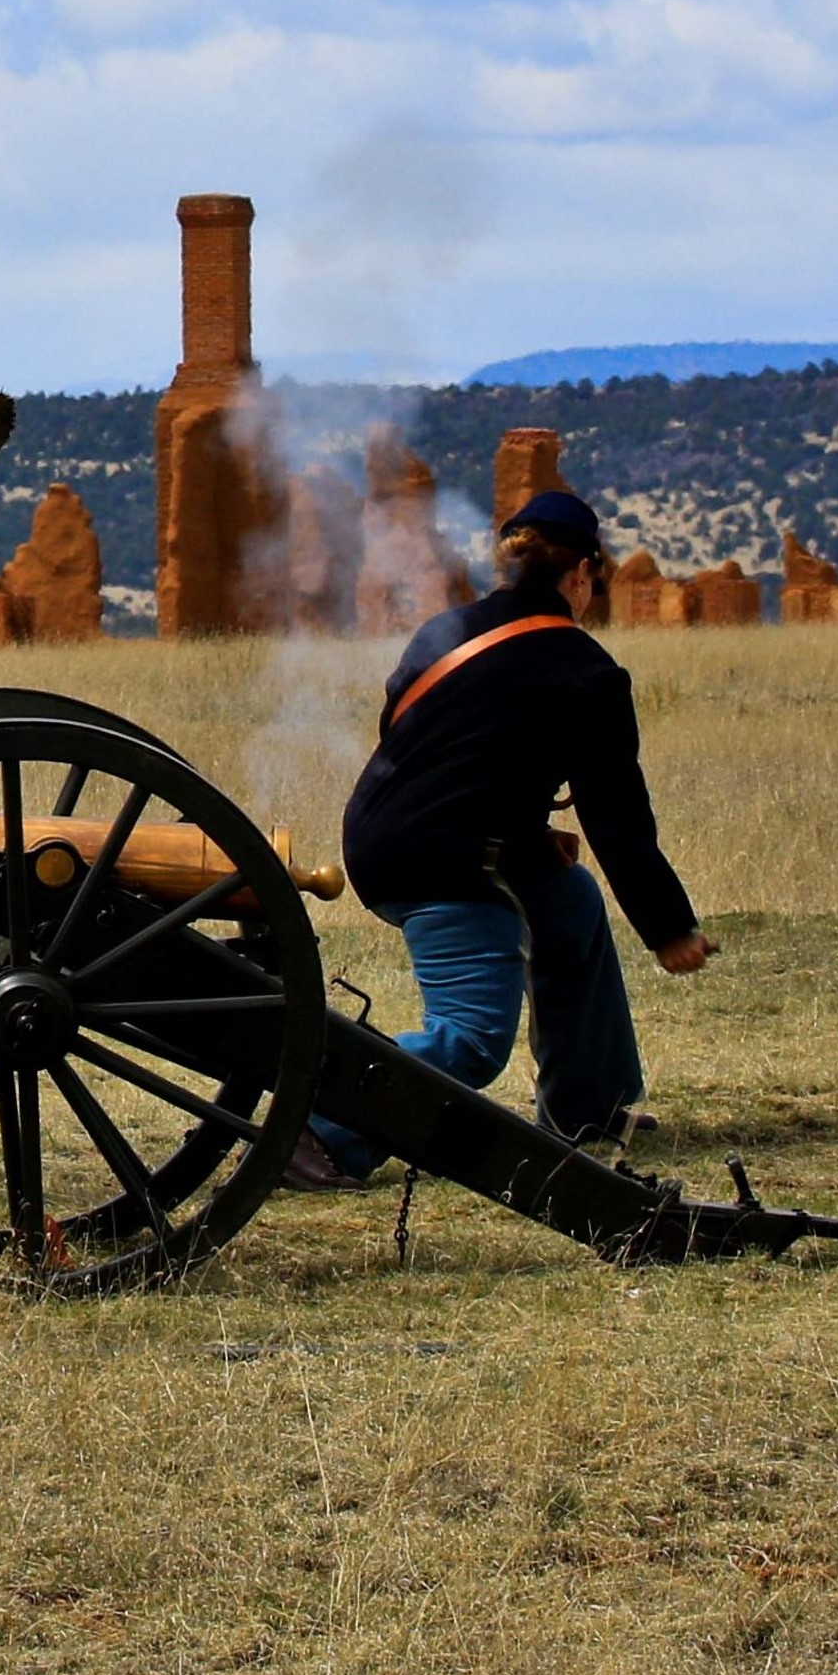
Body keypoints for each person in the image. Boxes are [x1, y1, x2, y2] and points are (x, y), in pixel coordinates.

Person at [299, 487, 709, 1182]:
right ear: (581, 574)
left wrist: (523, 833)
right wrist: (669, 927)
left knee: (570, 901)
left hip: (380, 835)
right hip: (443, 862)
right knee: (472, 1037)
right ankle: (315, 1129)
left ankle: (587, 1108)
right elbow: (615, 814)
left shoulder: (447, 632)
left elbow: (433, 742)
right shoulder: (587, 672)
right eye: (594, 581)